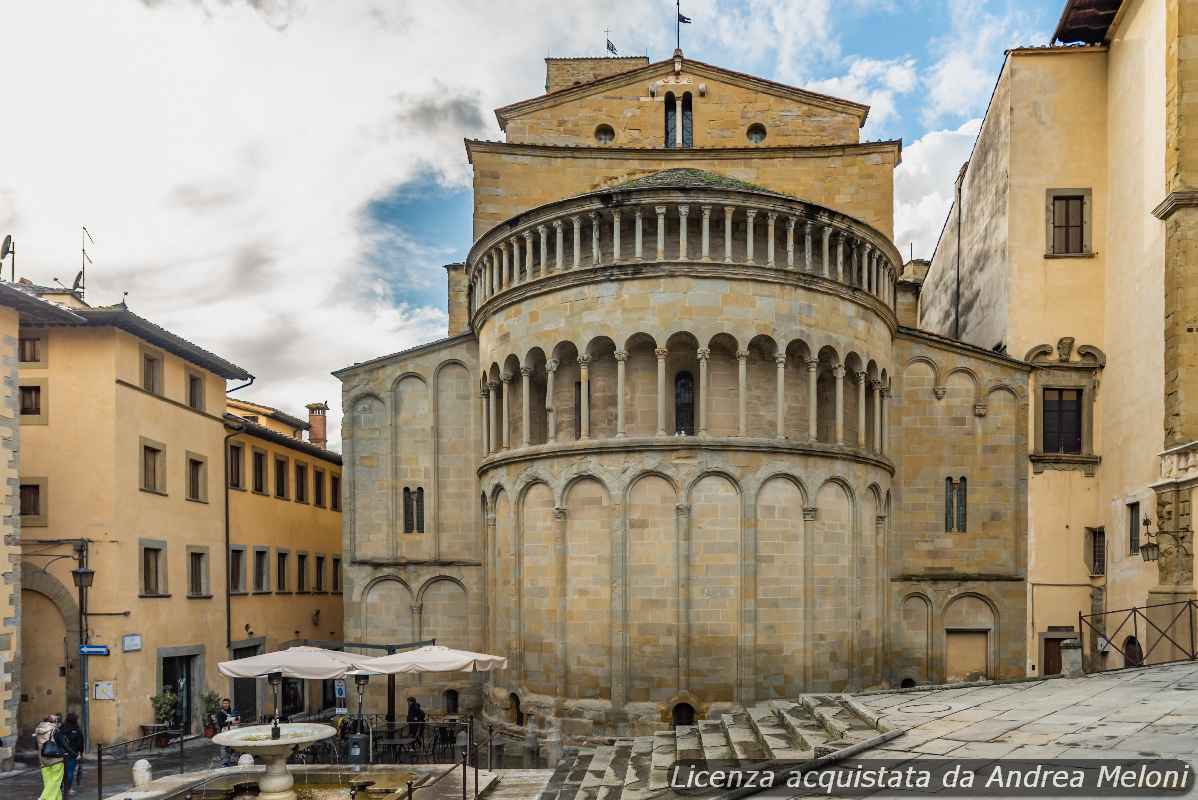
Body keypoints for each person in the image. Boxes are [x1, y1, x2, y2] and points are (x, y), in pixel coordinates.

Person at [35, 714, 66, 800]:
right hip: (56, 759)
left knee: (49, 782)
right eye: (57, 721)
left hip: (43, 760)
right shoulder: (54, 730)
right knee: (55, 782)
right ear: (54, 722)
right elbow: (63, 744)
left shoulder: (38, 730)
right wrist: (74, 754)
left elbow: (36, 746)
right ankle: (43, 798)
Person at [59, 713, 83, 796]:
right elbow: (80, 743)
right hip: (73, 753)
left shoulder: (62, 728)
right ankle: (68, 789)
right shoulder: (77, 729)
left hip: (61, 753)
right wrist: (80, 753)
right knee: (70, 771)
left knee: (61, 771)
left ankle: (60, 787)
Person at [215, 698, 239, 767]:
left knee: (233, 745)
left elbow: (236, 719)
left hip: (232, 731)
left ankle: (233, 759)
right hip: (224, 732)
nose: (225, 705)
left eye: (227, 703)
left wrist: (236, 719)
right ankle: (225, 763)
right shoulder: (220, 713)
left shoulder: (231, 711)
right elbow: (221, 724)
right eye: (224, 703)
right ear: (222, 704)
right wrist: (230, 721)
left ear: (229, 704)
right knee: (224, 747)